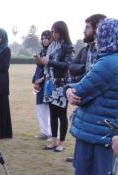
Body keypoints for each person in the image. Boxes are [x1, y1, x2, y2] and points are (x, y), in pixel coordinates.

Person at [67, 18, 118, 175]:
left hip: (100, 132)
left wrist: (69, 90)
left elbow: (81, 92)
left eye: (100, 36)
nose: (97, 40)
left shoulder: (108, 63)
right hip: (113, 128)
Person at [66, 14, 107, 162]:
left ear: (98, 29)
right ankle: (81, 158)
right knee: (83, 128)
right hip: (84, 94)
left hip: (100, 101)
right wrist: (84, 72)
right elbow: (71, 66)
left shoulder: (105, 53)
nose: (84, 31)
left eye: (88, 27)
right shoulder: (85, 50)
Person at [38, 21, 74, 152]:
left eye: (56, 31)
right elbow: (48, 63)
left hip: (62, 83)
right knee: (52, 113)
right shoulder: (52, 45)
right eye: (52, 31)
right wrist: (42, 62)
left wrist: (50, 62)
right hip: (50, 82)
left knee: (61, 114)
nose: (54, 34)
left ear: (62, 31)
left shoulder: (68, 46)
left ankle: (61, 142)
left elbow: (67, 65)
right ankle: (53, 141)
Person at [32, 30, 52, 140]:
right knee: (40, 106)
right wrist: (35, 80)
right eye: (43, 38)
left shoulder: (53, 51)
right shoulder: (41, 51)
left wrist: (42, 79)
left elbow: (51, 68)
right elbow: (38, 68)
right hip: (39, 83)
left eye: (47, 37)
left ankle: (52, 133)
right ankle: (44, 131)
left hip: (48, 83)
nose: (44, 40)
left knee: (50, 108)